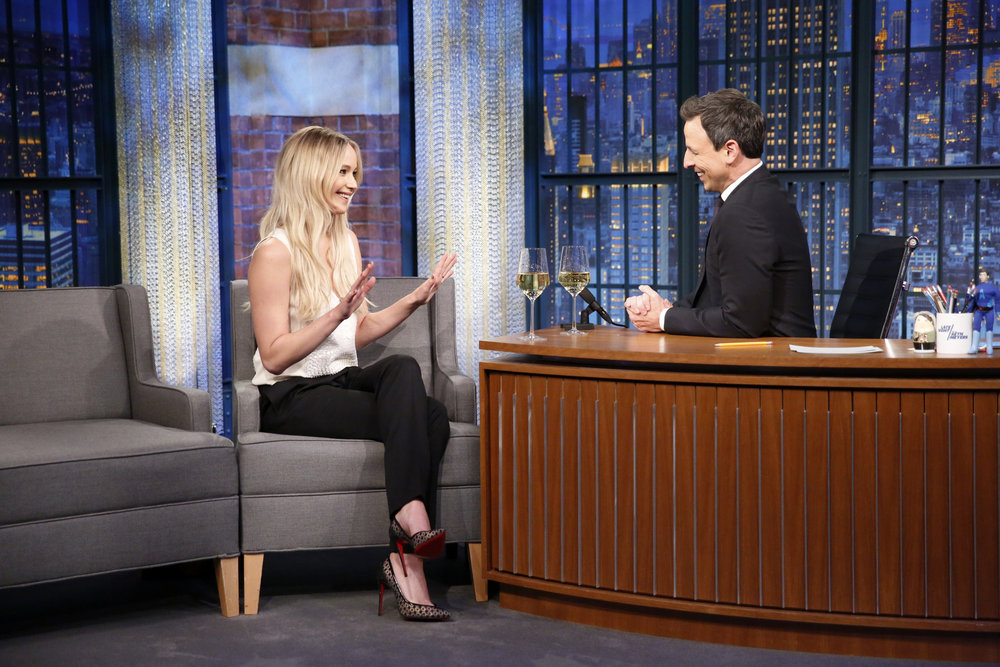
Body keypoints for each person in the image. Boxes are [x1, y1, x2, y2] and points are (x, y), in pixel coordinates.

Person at [248, 126, 458, 621]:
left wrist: (415, 299)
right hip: (291, 395)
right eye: (342, 172)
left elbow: (357, 332)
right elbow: (275, 356)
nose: (352, 183)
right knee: (428, 420)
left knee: (409, 377)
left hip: (339, 380)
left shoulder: (345, 242)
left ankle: (406, 541)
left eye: (354, 173)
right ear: (311, 173)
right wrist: (334, 314)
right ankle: (410, 560)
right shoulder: (273, 253)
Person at [624, 89, 817, 338]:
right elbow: (716, 300)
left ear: (730, 151)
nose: (686, 162)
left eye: (694, 151)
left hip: (768, 369)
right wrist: (663, 310)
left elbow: (740, 322)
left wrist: (662, 319)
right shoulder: (760, 194)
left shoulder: (745, 212)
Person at [964, 269, 998, 354]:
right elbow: (971, 301)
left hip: (989, 310)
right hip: (979, 310)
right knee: (976, 327)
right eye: (980, 275)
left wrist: (998, 312)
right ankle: (974, 346)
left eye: (983, 275)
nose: (981, 277)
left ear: (988, 276)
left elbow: (998, 301)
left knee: (989, 328)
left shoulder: (992, 289)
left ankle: (989, 346)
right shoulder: (976, 289)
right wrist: (968, 311)